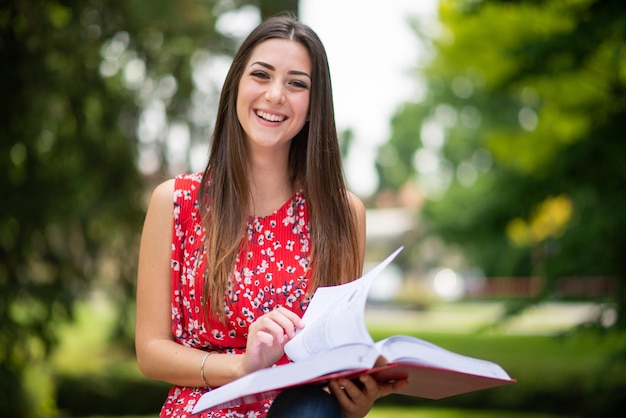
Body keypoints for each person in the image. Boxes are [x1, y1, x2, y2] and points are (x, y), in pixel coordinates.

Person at [135, 14, 407, 418]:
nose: (276, 94)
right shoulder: (175, 202)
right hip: (205, 408)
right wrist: (243, 368)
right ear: (236, 88)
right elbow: (151, 351)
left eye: (297, 83)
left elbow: (338, 352)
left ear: (314, 106)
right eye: (261, 75)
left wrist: (355, 400)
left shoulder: (342, 214)